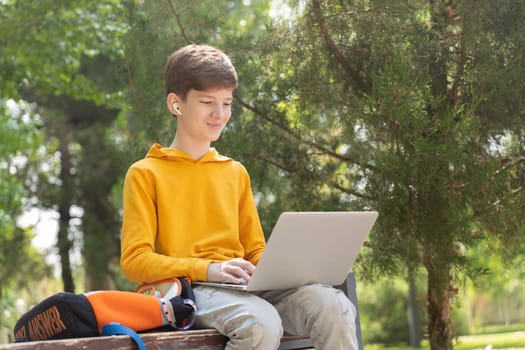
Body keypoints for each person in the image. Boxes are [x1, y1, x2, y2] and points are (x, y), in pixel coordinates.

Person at [120, 44, 358, 349]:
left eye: (227, 103)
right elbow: (135, 261)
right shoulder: (146, 173)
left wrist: (279, 269)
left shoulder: (234, 172)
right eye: (208, 102)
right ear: (176, 104)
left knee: (333, 305)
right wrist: (209, 269)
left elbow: (254, 248)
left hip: (246, 288)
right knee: (258, 325)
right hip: (191, 289)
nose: (220, 114)